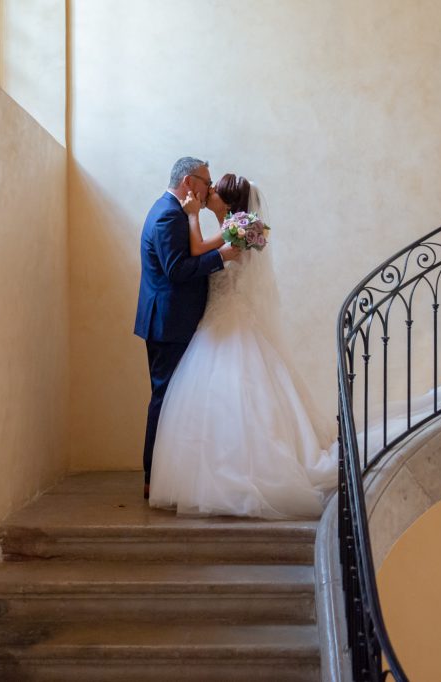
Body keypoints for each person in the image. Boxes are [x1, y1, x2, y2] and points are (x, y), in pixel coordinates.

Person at [147, 173, 337, 519]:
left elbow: (196, 251)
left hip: (228, 317)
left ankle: (242, 472)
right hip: (218, 317)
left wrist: (191, 216)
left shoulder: (237, 226)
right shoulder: (237, 226)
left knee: (235, 392)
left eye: (215, 191)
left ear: (229, 201)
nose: (209, 194)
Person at [134, 157, 241, 500]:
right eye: (205, 182)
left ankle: (173, 474)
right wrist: (223, 257)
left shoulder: (175, 211)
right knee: (165, 399)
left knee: (175, 400)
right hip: (169, 323)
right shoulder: (168, 214)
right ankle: (154, 477)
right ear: (188, 181)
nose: (208, 189)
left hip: (175, 320)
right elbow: (177, 270)